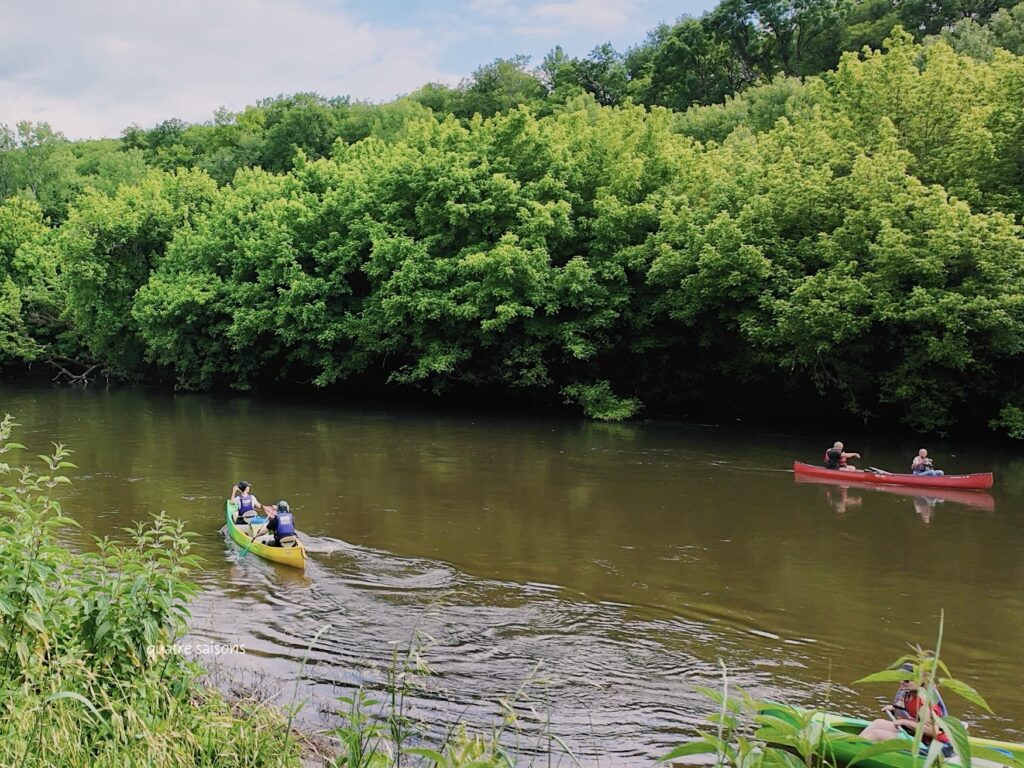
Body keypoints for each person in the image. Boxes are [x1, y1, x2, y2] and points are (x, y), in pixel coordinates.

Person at [860, 662, 954, 757]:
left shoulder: (923, 702)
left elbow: (932, 731)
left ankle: (857, 751)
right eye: (901, 677)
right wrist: (894, 709)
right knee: (878, 723)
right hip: (918, 736)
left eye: (907, 680)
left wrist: (905, 722)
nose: (902, 681)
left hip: (934, 747)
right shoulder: (908, 693)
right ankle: (856, 744)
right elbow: (911, 714)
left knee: (877, 734)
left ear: (921, 681)